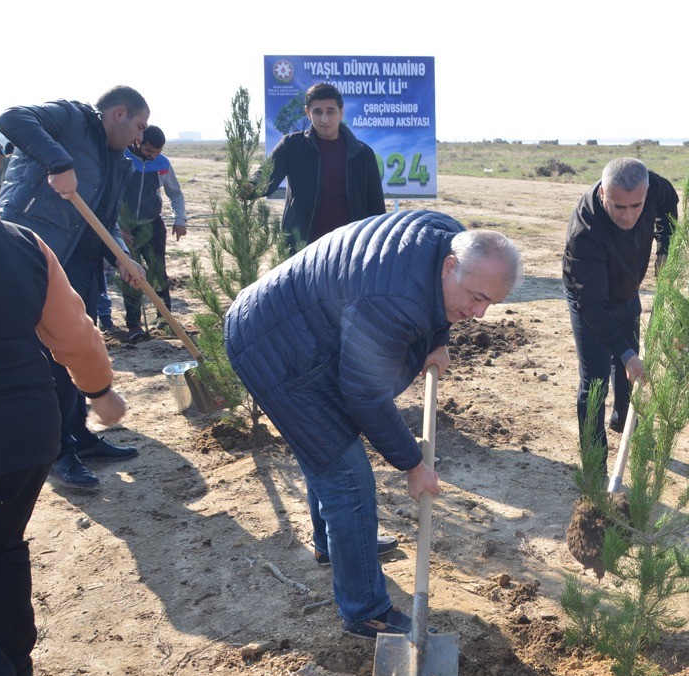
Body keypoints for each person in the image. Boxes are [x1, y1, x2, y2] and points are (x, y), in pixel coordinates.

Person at [224, 210, 522, 638]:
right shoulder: (392, 299)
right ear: (451, 266)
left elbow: (436, 302)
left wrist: (437, 339)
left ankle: (338, 547)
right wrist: (414, 464)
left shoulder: (450, 239)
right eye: (475, 298)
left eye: (489, 303)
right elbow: (363, 395)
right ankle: (365, 610)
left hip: (300, 326)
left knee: (327, 453)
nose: (478, 314)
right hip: (275, 349)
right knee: (345, 476)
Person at [0, 207, 128, 676]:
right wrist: (99, 392)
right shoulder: (22, 244)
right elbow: (74, 330)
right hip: (29, 429)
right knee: (2, 547)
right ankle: (17, 675)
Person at [0, 86, 149, 488]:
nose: (139, 137)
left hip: (79, 264)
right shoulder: (71, 119)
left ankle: (80, 436)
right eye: (139, 125)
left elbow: (105, 222)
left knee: (79, 344)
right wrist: (59, 161)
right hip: (29, 251)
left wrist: (121, 255)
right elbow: (11, 120)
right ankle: (60, 453)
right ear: (118, 113)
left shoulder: (119, 162)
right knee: (51, 357)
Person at [562, 157, 677, 469]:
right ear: (603, 194)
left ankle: (624, 419)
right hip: (590, 300)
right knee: (596, 379)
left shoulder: (654, 188)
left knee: (631, 362)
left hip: (628, 288)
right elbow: (594, 308)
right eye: (618, 207)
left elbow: (670, 204)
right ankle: (595, 470)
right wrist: (624, 354)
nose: (628, 216)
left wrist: (666, 248)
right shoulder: (585, 232)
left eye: (636, 206)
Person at [254, 82, 386, 253]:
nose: (324, 119)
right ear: (308, 112)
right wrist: (250, 186)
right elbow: (265, 176)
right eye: (318, 112)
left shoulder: (362, 154)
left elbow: (376, 208)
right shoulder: (291, 146)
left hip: (351, 248)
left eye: (330, 112)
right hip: (302, 249)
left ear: (341, 113)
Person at [118, 124, 188, 341]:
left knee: (159, 273)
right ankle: (134, 326)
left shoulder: (163, 164)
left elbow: (175, 193)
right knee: (130, 275)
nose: (153, 155)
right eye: (150, 151)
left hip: (153, 225)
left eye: (158, 152)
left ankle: (164, 320)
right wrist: (119, 227)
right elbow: (111, 196)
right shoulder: (122, 158)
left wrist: (180, 219)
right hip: (127, 228)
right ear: (138, 141)